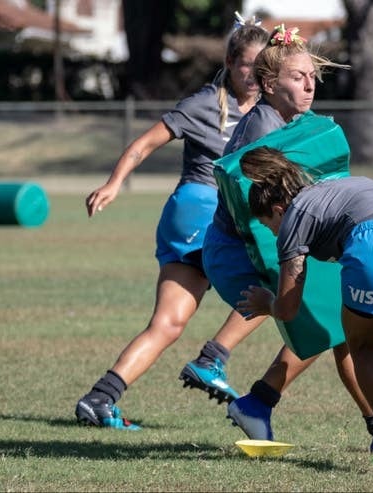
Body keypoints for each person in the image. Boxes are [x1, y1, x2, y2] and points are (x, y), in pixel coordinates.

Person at [181, 24, 373, 454]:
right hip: (243, 247)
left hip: (274, 236)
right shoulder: (263, 126)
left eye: (311, 76)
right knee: (341, 322)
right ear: (268, 84)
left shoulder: (293, 120)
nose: (309, 84)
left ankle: (270, 405)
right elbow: (253, 207)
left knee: (346, 325)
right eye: (296, 76)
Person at [73, 15, 270, 429]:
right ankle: (211, 359)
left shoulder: (268, 111)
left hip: (213, 217)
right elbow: (144, 144)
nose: (253, 74)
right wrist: (113, 184)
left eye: (262, 65)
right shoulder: (205, 103)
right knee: (275, 284)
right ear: (231, 62)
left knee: (169, 323)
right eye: (247, 64)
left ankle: (100, 399)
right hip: (201, 211)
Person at [236, 146, 373, 467]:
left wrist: (267, 303)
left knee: (362, 347)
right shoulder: (338, 186)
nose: (275, 233)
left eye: (269, 226)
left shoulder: (295, 217)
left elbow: (288, 308)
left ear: (277, 209)